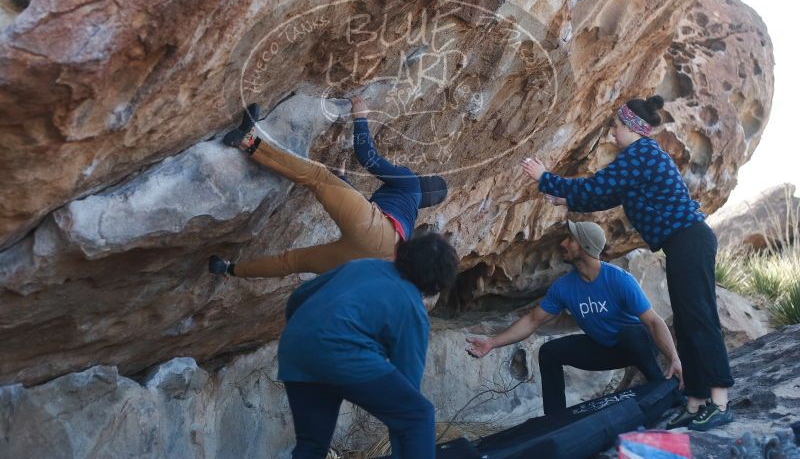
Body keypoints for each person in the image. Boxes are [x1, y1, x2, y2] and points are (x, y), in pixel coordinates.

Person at [522, 95, 734, 431]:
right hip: (681, 243)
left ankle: (720, 403)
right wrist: (566, 196)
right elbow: (605, 195)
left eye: (617, 127)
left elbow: (597, 186)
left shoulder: (641, 154)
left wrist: (545, 177)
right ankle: (695, 403)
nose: (612, 133)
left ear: (633, 129)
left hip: (690, 239)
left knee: (700, 318)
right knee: (687, 321)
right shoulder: (637, 161)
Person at [208, 95, 447, 278]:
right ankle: (228, 269)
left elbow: (368, 158)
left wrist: (361, 118)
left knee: (316, 176)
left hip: (377, 233)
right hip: (371, 263)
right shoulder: (409, 215)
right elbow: (366, 216)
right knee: (294, 262)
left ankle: (247, 139)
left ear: (425, 180)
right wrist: (343, 180)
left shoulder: (410, 184)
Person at [466, 221, 682, 416]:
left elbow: (653, 322)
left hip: (638, 345)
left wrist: (674, 358)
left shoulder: (619, 280)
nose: (563, 243)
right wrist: (491, 342)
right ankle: (555, 421)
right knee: (550, 352)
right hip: (606, 349)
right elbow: (532, 320)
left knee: (629, 334)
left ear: (585, 246)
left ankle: (665, 393)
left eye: (570, 239)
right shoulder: (564, 287)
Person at [278, 231, 459, 459]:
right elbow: (408, 392)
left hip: (295, 347)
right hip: (341, 352)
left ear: (406, 252)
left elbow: (298, 297)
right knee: (418, 416)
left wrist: (307, 339)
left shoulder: (362, 266)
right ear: (438, 282)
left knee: (311, 446)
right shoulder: (412, 308)